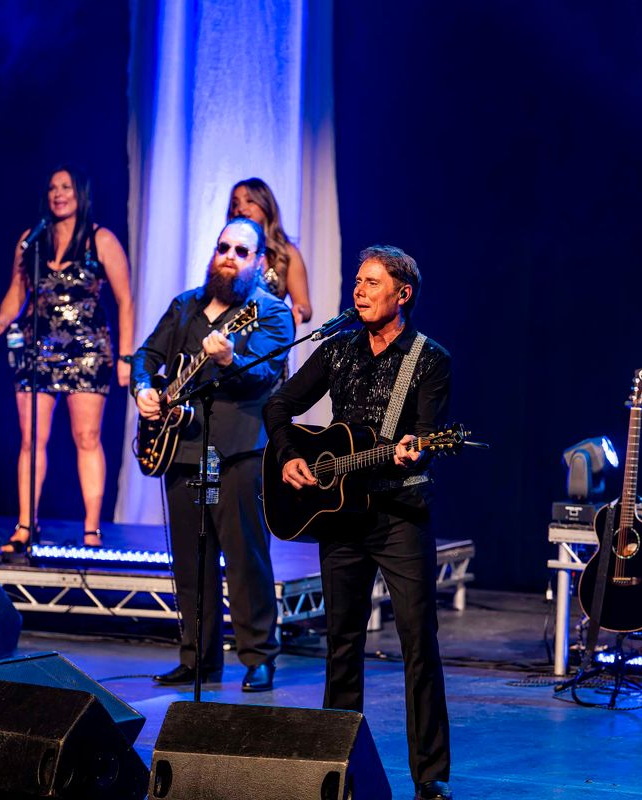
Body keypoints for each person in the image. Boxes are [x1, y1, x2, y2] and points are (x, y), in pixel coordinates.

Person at [263, 245, 454, 800]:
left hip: (400, 516)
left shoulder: (430, 359)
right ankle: (336, 767)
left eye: (372, 283)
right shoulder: (338, 347)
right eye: (357, 281)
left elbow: (424, 435)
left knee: (419, 644)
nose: (360, 291)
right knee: (341, 644)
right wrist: (289, 457)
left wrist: (415, 450)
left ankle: (431, 777)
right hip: (341, 516)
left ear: (403, 294)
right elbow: (279, 406)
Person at [132, 217, 292, 692]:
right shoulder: (185, 306)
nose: (230, 256)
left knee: (246, 561)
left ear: (259, 262)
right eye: (224, 247)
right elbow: (146, 355)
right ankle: (197, 658)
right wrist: (144, 388)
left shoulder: (272, 313)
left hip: (238, 452)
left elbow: (263, 378)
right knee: (190, 561)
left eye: (242, 251)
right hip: (181, 450)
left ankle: (259, 656)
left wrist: (228, 359)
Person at [0, 167, 134, 551]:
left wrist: (127, 357)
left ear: (81, 193)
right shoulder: (32, 240)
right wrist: (2, 320)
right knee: (32, 438)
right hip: (38, 349)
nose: (58, 194)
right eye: (51, 187)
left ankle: (92, 530)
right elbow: (17, 294)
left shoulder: (101, 239)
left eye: (65, 187)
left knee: (87, 436)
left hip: (86, 350)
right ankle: (25, 526)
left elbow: (125, 299)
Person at [228, 178, 313, 330]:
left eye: (249, 201)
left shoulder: (287, 252)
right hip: (230, 336)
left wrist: (298, 311)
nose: (240, 209)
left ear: (266, 206)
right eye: (235, 204)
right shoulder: (229, 251)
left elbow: (305, 307)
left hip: (267, 337)